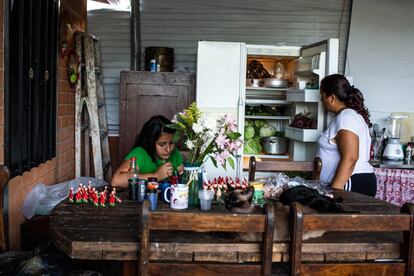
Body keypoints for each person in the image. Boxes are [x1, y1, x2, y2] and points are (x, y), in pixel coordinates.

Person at [317, 74, 376, 196]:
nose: (321, 100)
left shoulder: (345, 118)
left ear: (331, 98)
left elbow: (351, 157)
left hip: (350, 182)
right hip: (353, 181)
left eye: (322, 96)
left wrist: (335, 191)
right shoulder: (349, 115)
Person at [111, 115, 184, 188]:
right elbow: (116, 181)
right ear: (151, 142)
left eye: (172, 143)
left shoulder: (174, 153)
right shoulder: (140, 154)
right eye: (162, 144)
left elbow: (183, 175)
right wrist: (155, 176)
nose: (168, 149)